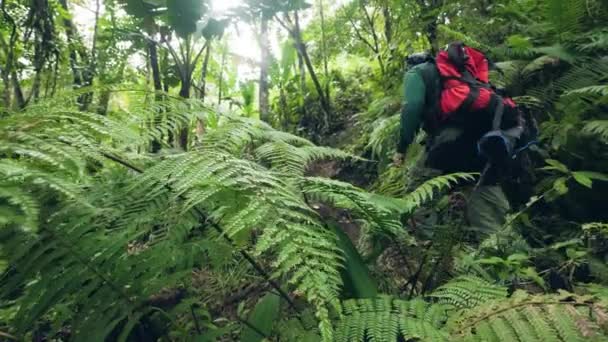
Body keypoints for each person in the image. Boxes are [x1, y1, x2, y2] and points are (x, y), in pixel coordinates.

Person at [394, 42, 530, 239]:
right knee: (483, 194)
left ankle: (422, 247)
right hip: (486, 141)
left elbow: (412, 107)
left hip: (451, 143)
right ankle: (507, 252)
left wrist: (402, 147)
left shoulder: (417, 73)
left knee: (419, 190)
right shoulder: (466, 76)